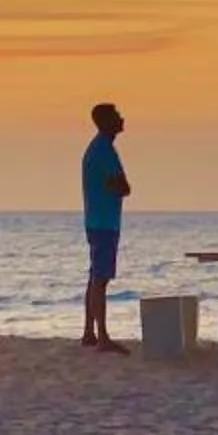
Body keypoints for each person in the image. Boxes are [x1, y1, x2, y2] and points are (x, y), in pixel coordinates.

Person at [80, 102, 131, 352]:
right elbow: (122, 186)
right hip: (104, 222)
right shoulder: (103, 151)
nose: (121, 118)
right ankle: (102, 336)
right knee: (100, 278)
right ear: (106, 121)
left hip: (96, 220)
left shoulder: (98, 149)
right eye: (116, 116)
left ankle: (89, 331)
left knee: (95, 277)